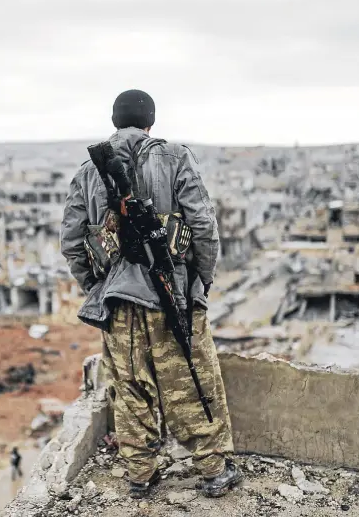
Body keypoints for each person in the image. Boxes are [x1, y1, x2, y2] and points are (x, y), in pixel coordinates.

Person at [60, 89, 242, 499]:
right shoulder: (176, 157)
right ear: (151, 122)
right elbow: (204, 227)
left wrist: (98, 287)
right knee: (189, 384)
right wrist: (201, 282)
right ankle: (213, 469)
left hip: (118, 304)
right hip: (171, 295)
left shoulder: (87, 171)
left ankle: (140, 474)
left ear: (114, 121)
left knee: (130, 387)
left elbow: (72, 243)